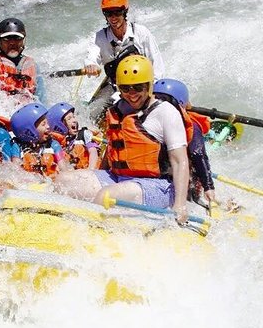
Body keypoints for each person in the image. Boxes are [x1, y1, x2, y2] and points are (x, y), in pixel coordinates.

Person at [56, 55, 189, 223]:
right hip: (119, 177)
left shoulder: (166, 112)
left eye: (138, 87)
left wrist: (180, 205)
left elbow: (180, 161)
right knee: (64, 181)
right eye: (126, 88)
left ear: (149, 86)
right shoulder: (117, 109)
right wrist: (98, 174)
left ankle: (89, 231)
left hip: (158, 186)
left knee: (106, 196)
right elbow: (113, 149)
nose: (132, 94)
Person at [83, 0, 165, 119]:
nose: (113, 17)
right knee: (93, 113)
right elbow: (91, 57)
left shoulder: (141, 32)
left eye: (117, 12)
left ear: (125, 12)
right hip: (115, 84)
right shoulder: (99, 37)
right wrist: (91, 65)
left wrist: (150, 91)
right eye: (109, 13)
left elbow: (156, 65)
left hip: (143, 84)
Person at [152, 78, 216, 203]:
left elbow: (197, 155)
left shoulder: (191, 125)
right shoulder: (148, 119)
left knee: (191, 194)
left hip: (183, 174)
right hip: (161, 174)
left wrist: (208, 186)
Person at [0, 17, 46, 103]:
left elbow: (42, 101)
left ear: (23, 40)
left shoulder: (33, 66)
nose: (12, 43)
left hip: (27, 114)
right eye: (7, 38)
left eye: (17, 38)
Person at [10, 102, 66, 178]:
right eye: (43, 124)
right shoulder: (18, 147)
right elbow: (15, 172)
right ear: (29, 131)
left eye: (47, 123)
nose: (48, 126)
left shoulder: (54, 145)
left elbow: (64, 170)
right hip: (29, 184)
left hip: (52, 183)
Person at [47, 102, 102, 170]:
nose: (75, 120)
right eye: (69, 118)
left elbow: (93, 151)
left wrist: (91, 170)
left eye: (73, 117)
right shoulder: (54, 144)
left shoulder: (83, 134)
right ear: (59, 125)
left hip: (91, 172)